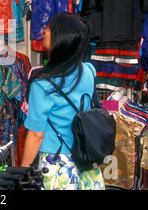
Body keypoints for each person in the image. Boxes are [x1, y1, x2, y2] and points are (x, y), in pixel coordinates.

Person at [21, 12, 105, 190]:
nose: (44, 31)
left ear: (61, 39)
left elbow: (36, 135)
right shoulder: (89, 71)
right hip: (86, 162)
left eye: (49, 28)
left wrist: (22, 174)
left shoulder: (42, 83)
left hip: (57, 164)